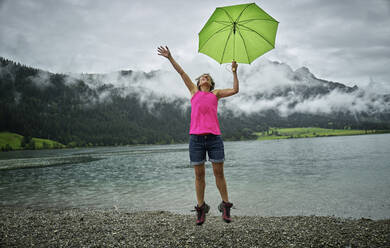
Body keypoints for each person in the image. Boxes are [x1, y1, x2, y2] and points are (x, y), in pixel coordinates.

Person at [157, 46, 239, 225]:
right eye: (203, 76)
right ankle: (201, 208)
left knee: (219, 174)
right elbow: (181, 72)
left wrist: (234, 71)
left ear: (210, 83)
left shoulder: (215, 94)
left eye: (207, 77)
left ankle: (225, 206)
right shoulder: (194, 91)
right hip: (195, 139)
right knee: (199, 176)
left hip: (214, 138)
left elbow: (235, 90)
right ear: (199, 81)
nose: (205, 78)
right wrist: (170, 57)